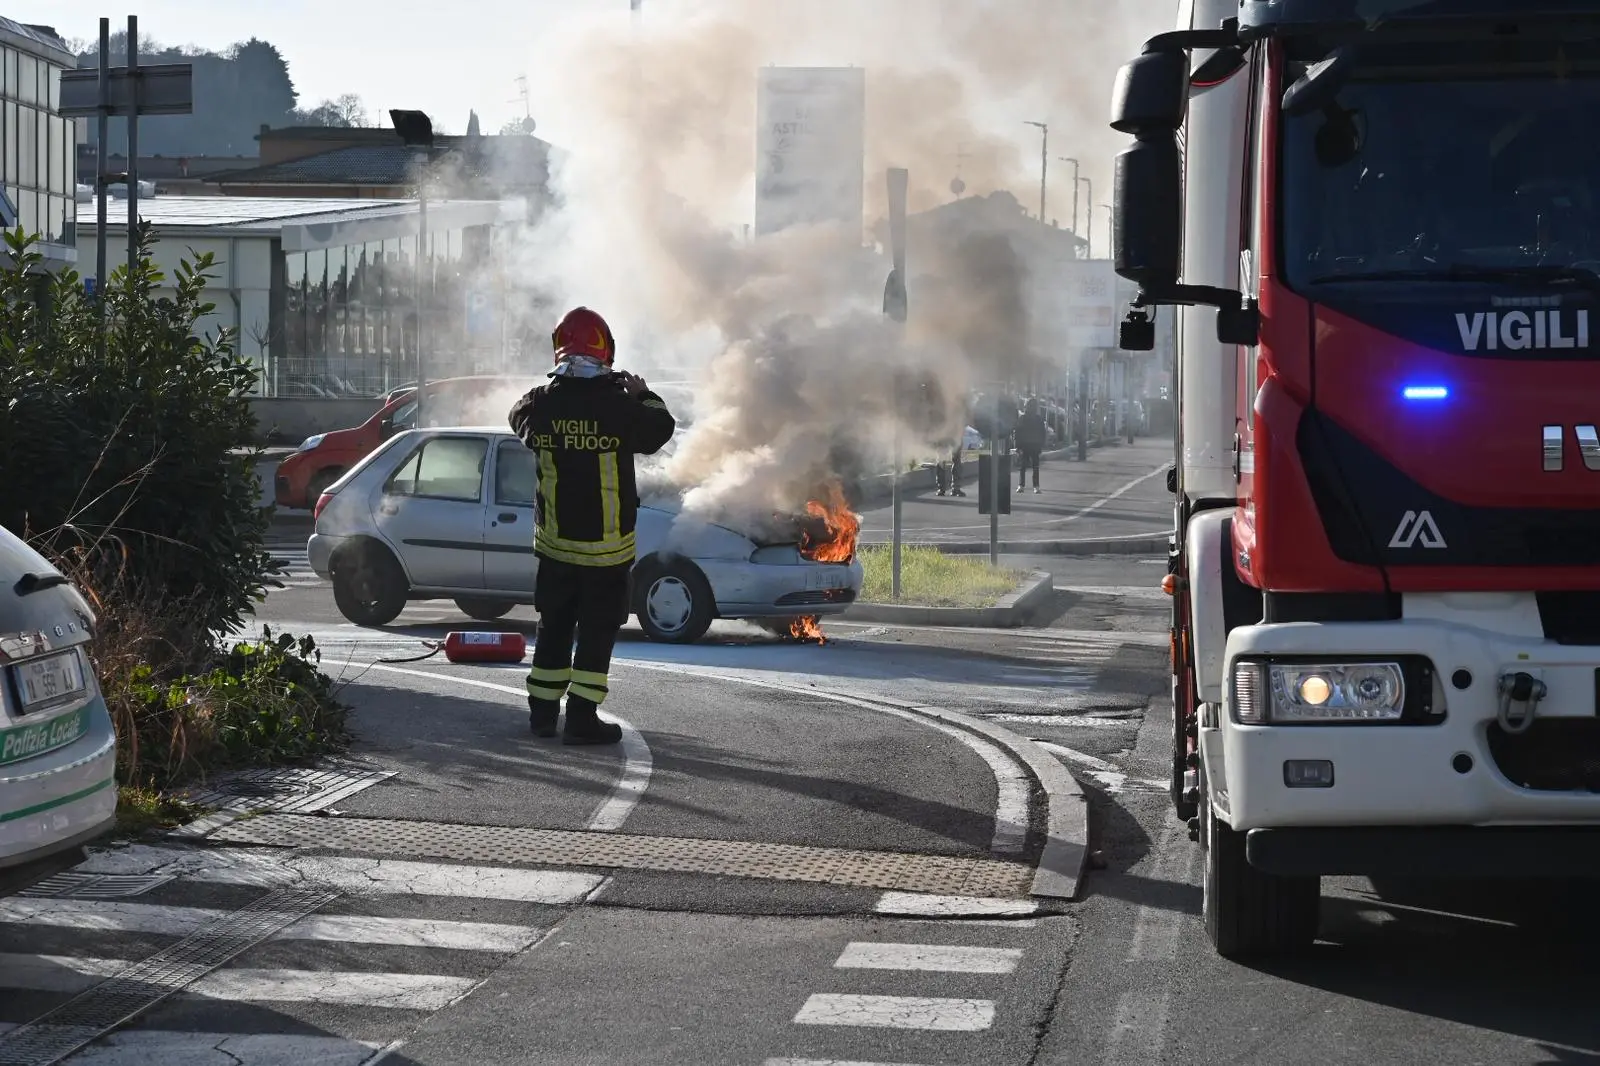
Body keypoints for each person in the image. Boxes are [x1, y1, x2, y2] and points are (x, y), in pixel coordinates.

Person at [508, 307, 677, 744]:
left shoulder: (538, 404)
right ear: (607, 354)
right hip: (607, 552)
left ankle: (542, 716)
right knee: (597, 632)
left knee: (554, 629)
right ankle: (582, 719)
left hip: (555, 547)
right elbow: (660, 429)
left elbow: (517, 416)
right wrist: (644, 394)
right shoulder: (619, 407)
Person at [1015, 396, 1047, 493]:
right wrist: (1041, 444)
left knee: (1025, 466)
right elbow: (1043, 433)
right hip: (1031, 445)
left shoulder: (1024, 418)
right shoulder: (1036, 419)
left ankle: (1023, 485)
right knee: (1033, 466)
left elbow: (1017, 433)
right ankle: (1034, 486)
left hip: (1028, 445)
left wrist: (1018, 446)